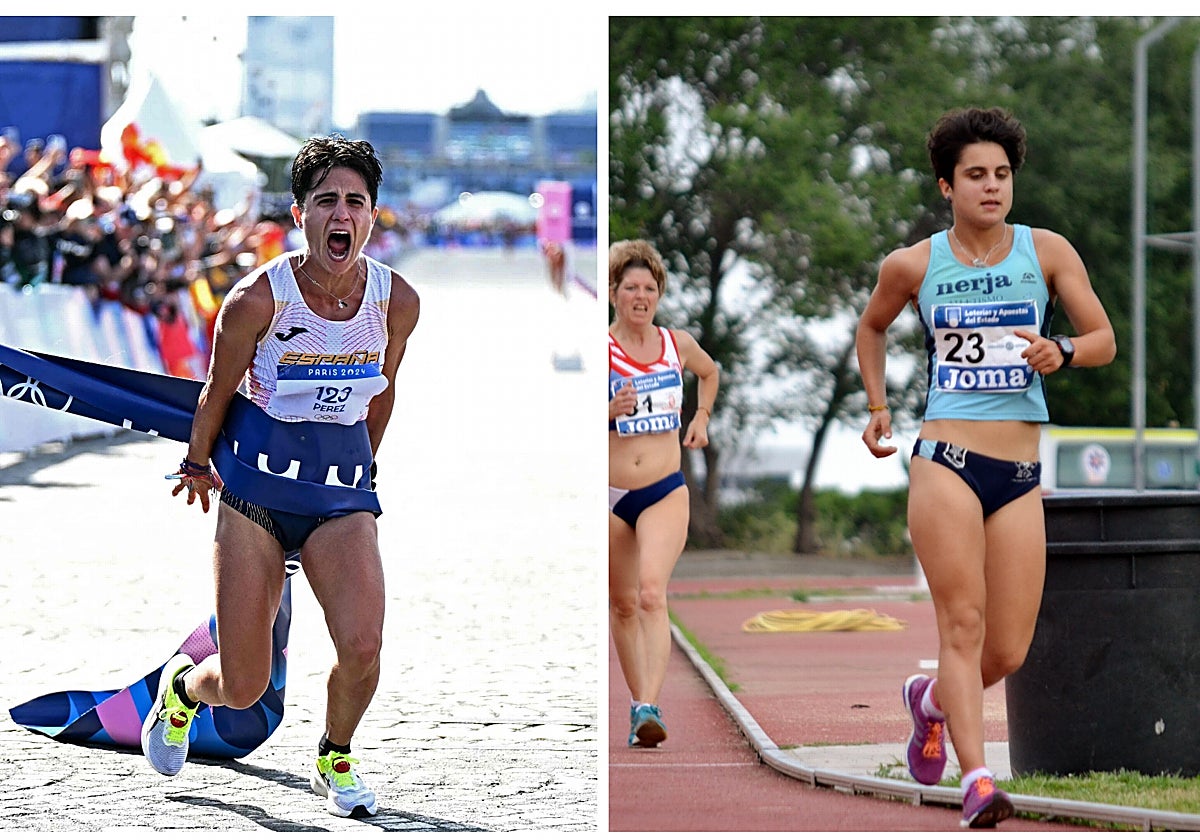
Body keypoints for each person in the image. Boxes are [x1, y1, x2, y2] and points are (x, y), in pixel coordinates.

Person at [140, 134, 420, 819]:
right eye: (326, 201)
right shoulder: (256, 300)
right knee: (242, 687)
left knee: (361, 644)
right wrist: (198, 463)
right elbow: (215, 391)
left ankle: (335, 755)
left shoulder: (397, 302)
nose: (342, 214)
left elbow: (382, 390)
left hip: (339, 498)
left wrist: (361, 471)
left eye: (356, 201)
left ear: (373, 216)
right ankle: (180, 693)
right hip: (256, 498)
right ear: (300, 215)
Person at [856, 107, 1115, 829]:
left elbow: (1103, 339)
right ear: (947, 185)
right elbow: (871, 326)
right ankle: (976, 781)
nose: (992, 186)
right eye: (976, 175)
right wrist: (878, 404)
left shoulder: (1048, 251)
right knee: (961, 625)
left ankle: (929, 702)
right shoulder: (912, 265)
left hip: (1020, 472)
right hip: (945, 459)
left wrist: (1060, 351)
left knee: (1006, 646)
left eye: (1002, 174)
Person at [608, 239, 719, 748]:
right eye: (631, 286)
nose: (640, 295)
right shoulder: (601, 351)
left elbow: (710, 371)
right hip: (610, 494)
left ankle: (650, 705)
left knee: (652, 592)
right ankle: (637, 706)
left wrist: (700, 418)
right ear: (613, 293)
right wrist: (605, 413)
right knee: (623, 605)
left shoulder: (678, 344)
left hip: (663, 489)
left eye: (649, 288)